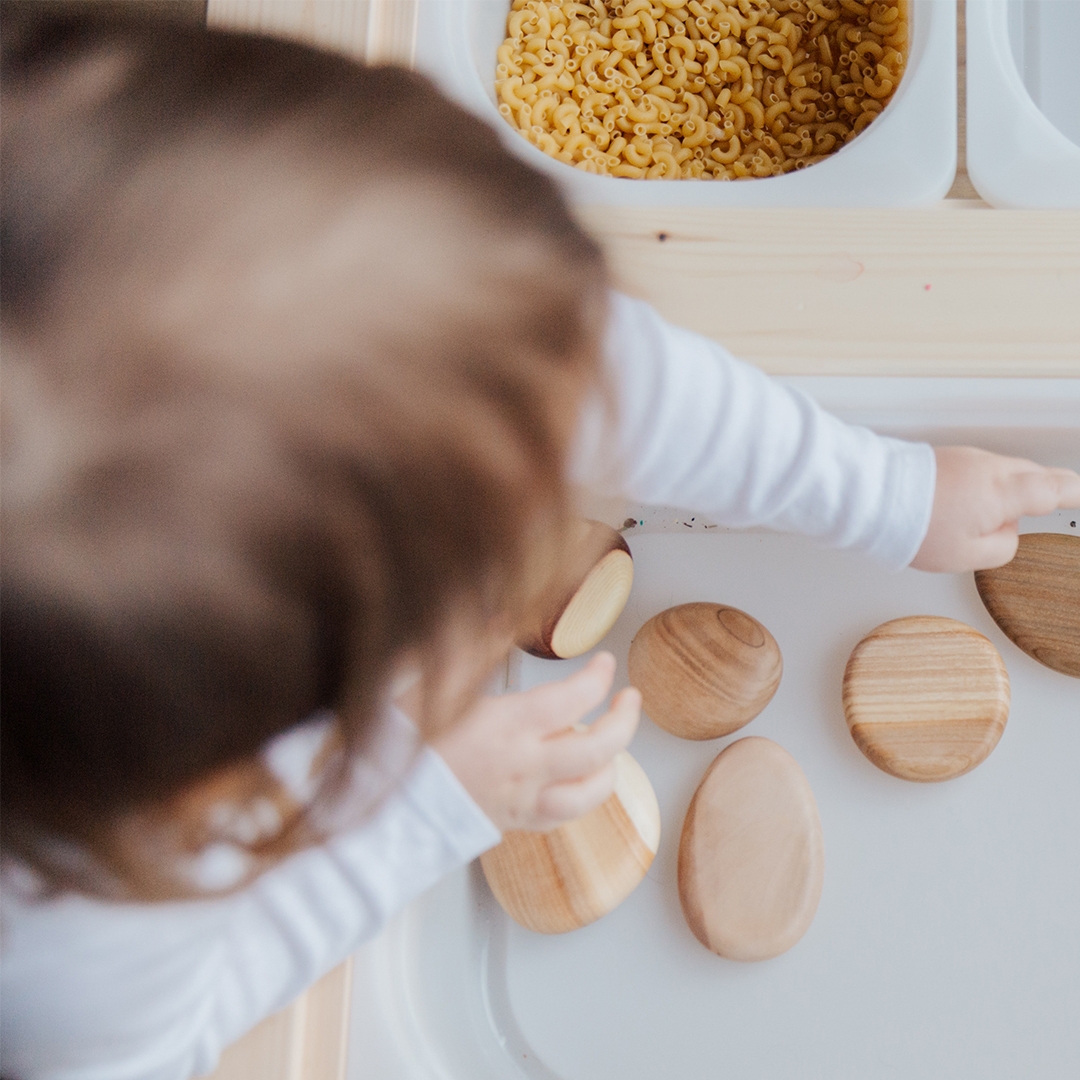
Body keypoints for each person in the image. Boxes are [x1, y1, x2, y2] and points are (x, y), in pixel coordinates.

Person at [2, 7, 1077, 1079]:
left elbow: (590, 374)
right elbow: (162, 1043)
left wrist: (883, 492)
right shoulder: (76, 935)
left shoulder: (310, 285)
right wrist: (422, 806)